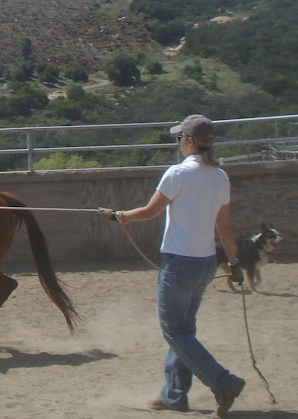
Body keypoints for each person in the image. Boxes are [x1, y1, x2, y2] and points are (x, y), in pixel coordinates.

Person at [101, 115, 245, 418]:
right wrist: (234, 263)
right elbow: (225, 226)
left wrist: (119, 216)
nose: (178, 141)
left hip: (180, 264)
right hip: (206, 264)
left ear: (189, 141)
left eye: (180, 137)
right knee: (184, 330)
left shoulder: (177, 173)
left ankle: (223, 381)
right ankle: (175, 395)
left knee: (174, 333)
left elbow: (149, 212)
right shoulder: (220, 176)